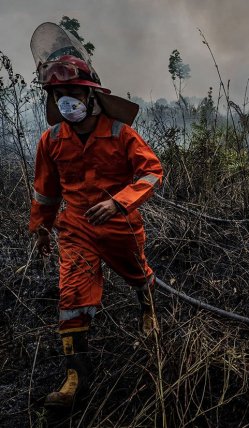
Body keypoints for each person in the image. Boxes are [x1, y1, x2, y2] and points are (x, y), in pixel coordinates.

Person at [28, 23, 163, 409]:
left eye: (72, 93)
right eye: (59, 94)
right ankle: (76, 378)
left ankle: (147, 307)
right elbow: (46, 190)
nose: (66, 100)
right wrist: (41, 229)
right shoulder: (51, 140)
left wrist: (121, 202)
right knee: (71, 295)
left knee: (138, 275)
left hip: (120, 225)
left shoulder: (121, 133)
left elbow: (152, 171)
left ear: (89, 94)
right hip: (75, 230)